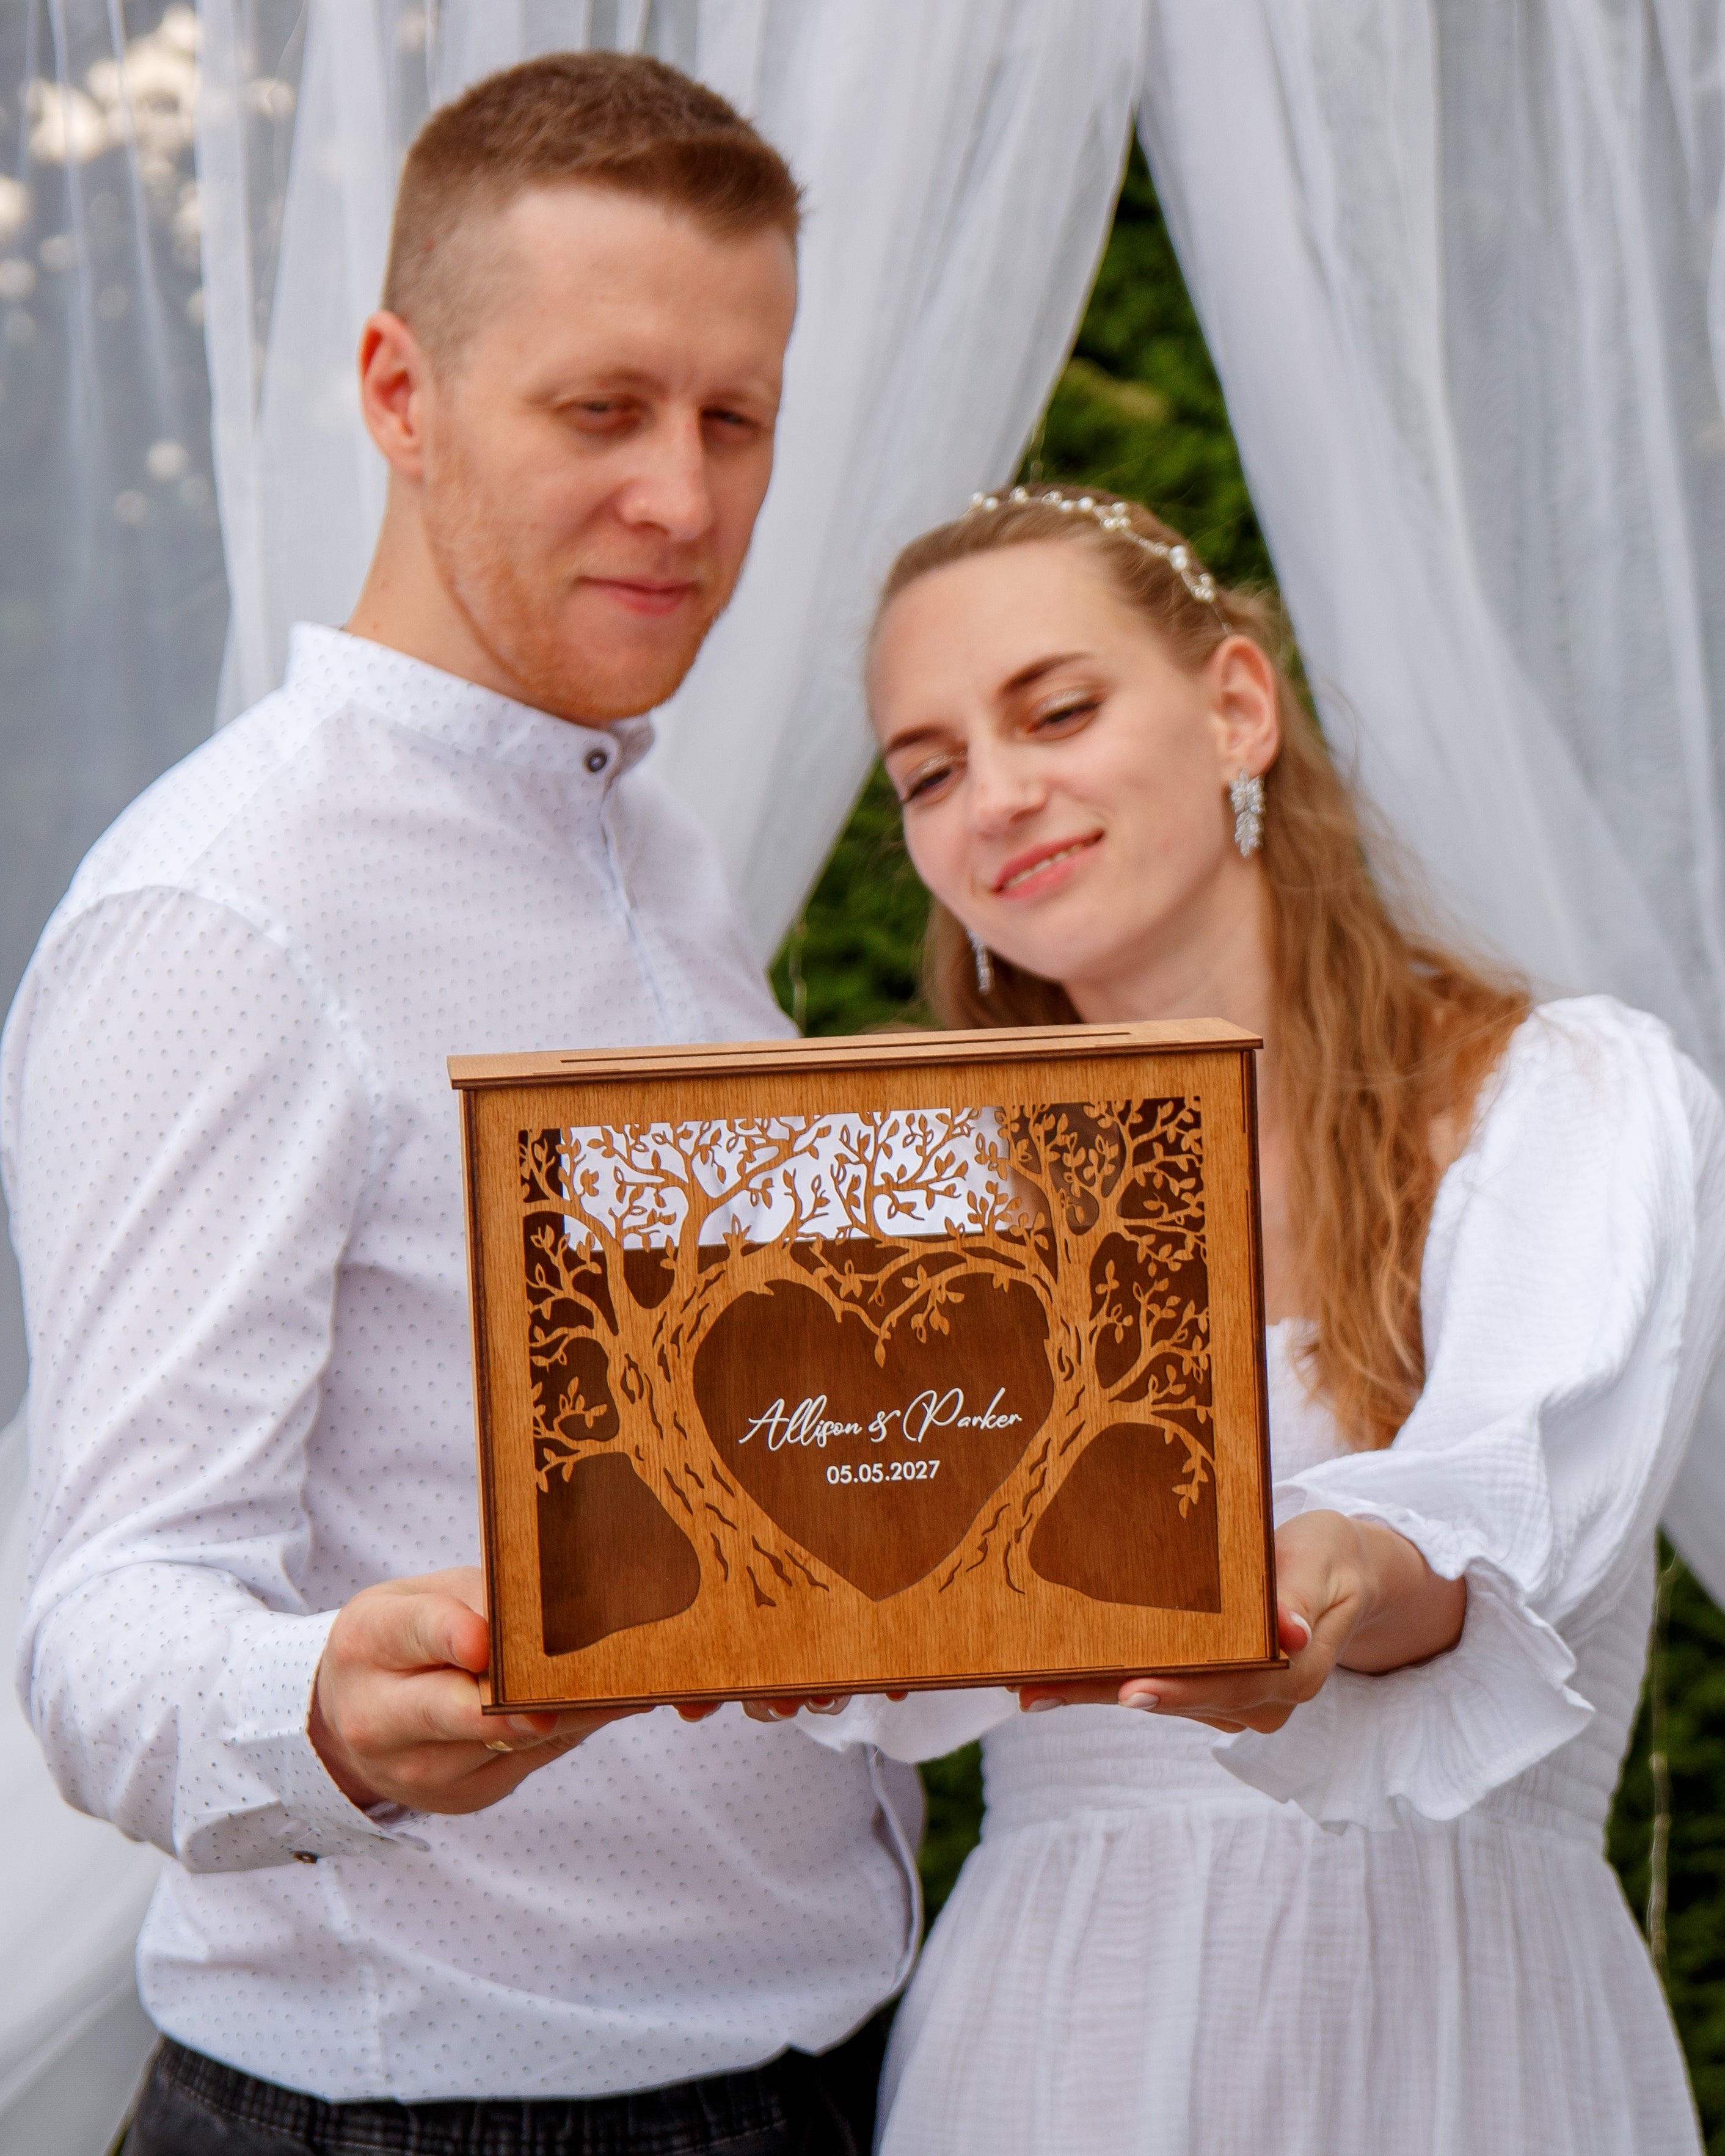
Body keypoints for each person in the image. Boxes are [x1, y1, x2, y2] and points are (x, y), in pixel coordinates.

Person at [2, 54, 916, 2156]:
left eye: (735, 417)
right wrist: (322, 1701)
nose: (684, 501)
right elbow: (107, 1624)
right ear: (401, 394)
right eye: (599, 409)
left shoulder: (658, 858)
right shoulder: (226, 911)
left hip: (832, 2068)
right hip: (453, 2117)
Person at [813, 483, 1725, 2153]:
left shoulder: (1567, 1101)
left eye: (1057, 709)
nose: (995, 796)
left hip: (1463, 2038)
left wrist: (1327, 1582)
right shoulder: (926, 1203)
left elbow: (1508, 1501)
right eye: (929, 772)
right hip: (1056, 2039)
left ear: (1238, 704)